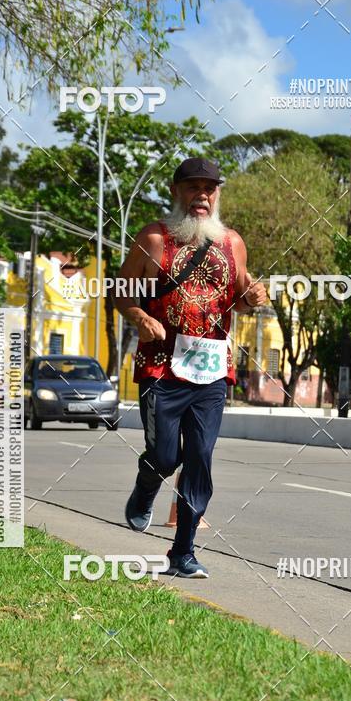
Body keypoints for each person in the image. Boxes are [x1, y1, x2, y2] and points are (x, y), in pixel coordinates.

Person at [114, 156, 266, 578]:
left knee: (200, 457)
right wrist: (140, 317)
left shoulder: (231, 243)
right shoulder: (154, 239)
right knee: (165, 456)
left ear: (217, 195)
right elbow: (121, 293)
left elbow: (240, 292)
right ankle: (147, 485)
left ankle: (183, 553)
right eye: (193, 187)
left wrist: (253, 296)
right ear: (176, 191)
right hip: (161, 368)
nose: (202, 195)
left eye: (210, 188)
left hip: (213, 369)